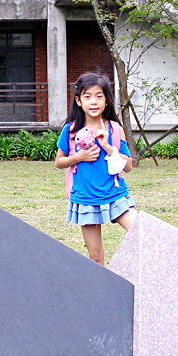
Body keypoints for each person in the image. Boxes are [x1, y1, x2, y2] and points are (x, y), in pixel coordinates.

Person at [55, 72, 135, 264]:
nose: (93, 101)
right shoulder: (70, 130)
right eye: (87, 96)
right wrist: (79, 157)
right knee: (95, 257)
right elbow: (59, 162)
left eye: (99, 96)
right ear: (79, 101)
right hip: (85, 198)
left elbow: (129, 166)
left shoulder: (115, 128)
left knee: (140, 232)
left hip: (115, 195)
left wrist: (108, 147)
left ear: (106, 101)